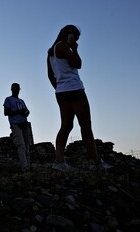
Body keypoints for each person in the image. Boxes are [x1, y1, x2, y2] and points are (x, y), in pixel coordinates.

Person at [47, 24, 110, 171]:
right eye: (75, 37)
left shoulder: (50, 53)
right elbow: (78, 64)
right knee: (86, 126)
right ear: (69, 35)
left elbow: (50, 75)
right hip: (75, 89)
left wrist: (59, 88)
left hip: (61, 92)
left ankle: (59, 162)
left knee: (66, 126)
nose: (76, 40)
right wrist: (74, 49)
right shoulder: (63, 46)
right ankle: (96, 162)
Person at [3, 83, 32, 171]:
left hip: (24, 124)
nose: (17, 90)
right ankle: (25, 167)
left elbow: (26, 111)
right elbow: (6, 112)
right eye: (15, 88)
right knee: (21, 146)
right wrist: (19, 112)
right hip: (16, 124)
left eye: (18, 88)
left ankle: (28, 167)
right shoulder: (8, 99)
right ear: (12, 89)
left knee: (27, 147)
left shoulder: (22, 101)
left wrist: (26, 112)